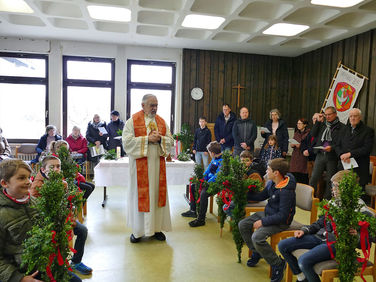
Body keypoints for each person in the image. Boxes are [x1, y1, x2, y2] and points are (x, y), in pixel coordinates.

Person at [278, 170, 372, 282]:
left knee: (304, 260)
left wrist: (356, 235)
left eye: (337, 186)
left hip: (336, 245)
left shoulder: (361, 210)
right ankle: (302, 278)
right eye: (333, 186)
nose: (333, 189)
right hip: (321, 237)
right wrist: (305, 230)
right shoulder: (335, 201)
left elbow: (368, 242)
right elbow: (321, 221)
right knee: (283, 245)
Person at [0, 159, 81, 282]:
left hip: (45, 264)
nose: (28, 182)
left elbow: (47, 228)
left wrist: (62, 225)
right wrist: (19, 278)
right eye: (21, 178)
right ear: (5, 183)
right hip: (21, 272)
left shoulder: (36, 202)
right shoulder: (2, 214)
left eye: (29, 177)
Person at [122, 94, 174, 243]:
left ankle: (157, 229)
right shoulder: (132, 122)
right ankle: (138, 231)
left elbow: (170, 140)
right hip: (140, 168)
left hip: (158, 166)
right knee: (139, 196)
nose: (154, 108)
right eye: (151, 105)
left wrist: (160, 139)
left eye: (156, 105)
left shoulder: (162, 122)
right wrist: (147, 139)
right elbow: (127, 142)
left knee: (157, 195)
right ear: (142, 105)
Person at [30, 156, 92, 275]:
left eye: (58, 166)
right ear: (43, 169)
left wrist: (69, 216)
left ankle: (76, 262)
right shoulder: (37, 186)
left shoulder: (60, 180)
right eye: (52, 167)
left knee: (82, 230)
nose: (56, 169)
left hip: (63, 217)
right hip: (47, 222)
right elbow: (36, 210)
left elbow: (65, 202)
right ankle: (56, 266)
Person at [238, 158, 296, 282]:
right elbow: (261, 196)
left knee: (257, 237)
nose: (266, 171)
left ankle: (278, 263)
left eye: (268, 169)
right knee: (243, 224)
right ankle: (257, 251)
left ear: (276, 173)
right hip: (268, 214)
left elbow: (283, 216)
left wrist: (263, 222)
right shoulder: (271, 183)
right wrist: (241, 192)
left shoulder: (286, 191)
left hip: (281, 222)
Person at [181, 141, 223, 227]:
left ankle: (201, 219)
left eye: (209, 152)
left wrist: (207, 182)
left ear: (213, 153)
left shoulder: (223, 161)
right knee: (193, 186)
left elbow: (217, 176)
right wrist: (201, 179)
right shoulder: (214, 159)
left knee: (204, 193)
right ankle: (193, 211)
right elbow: (207, 170)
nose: (209, 154)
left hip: (216, 184)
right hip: (207, 182)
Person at [309, 106, 345, 200]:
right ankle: (310, 198)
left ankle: (326, 201)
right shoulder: (322, 124)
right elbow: (312, 134)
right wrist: (318, 122)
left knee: (330, 180)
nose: (327, 117)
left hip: (332, 156)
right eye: (326, 115)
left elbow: (341, 143)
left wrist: (332, 148)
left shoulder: (341, 127)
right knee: (314, 177)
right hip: (320, 154)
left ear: (335, 114)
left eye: (329, 114)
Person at [337, 108, 374, 196]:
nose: (353, 118)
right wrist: (341, 154)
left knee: (358, 197)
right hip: (344, 166)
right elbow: (337, 145)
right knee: (342, 194)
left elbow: (366, 148)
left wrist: (350, 154)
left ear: (360, 117)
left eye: (355, 116)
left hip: (359, 168)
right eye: (351, 116)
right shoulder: (344, 129)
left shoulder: (368, 131)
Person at [290, 118, 310, 184]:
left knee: (302, 174)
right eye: (297, 123)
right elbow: (293, 141)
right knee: (294, 174)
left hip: (303, 156)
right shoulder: (296, 133)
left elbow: (309, 144)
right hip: (295, 155)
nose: (298, 125)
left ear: (305, 125)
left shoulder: (308, 133)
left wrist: (300, 145)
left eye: (300, 123)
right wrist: (292, 144)